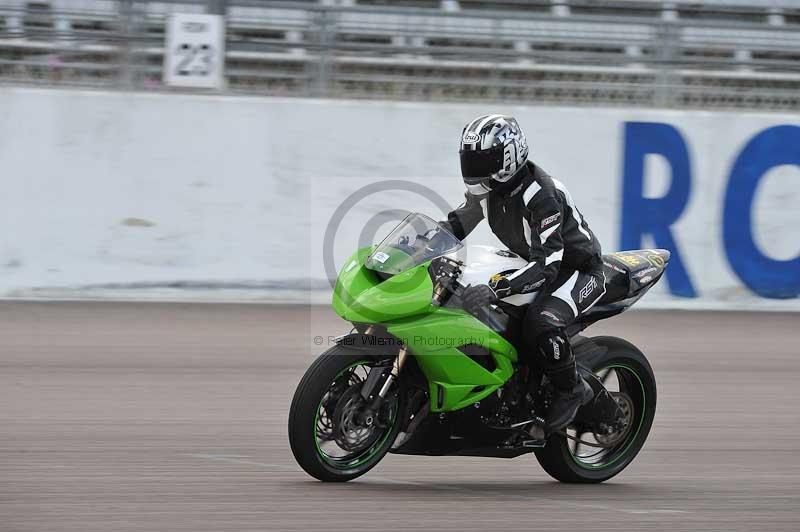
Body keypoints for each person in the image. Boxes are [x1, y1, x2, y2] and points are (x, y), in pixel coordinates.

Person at [440, 114, 606, 434]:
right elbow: (460, 221)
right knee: (465, 298)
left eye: (481, 160)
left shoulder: (541, 195)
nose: (473, 169)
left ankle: (572, 389)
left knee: (540, 322)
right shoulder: (487, 188)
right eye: (469, 160)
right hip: (532, 262)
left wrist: (496, 288)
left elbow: (549, 264)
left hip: (577, 269)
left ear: (508, 157)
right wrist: (420, 245)